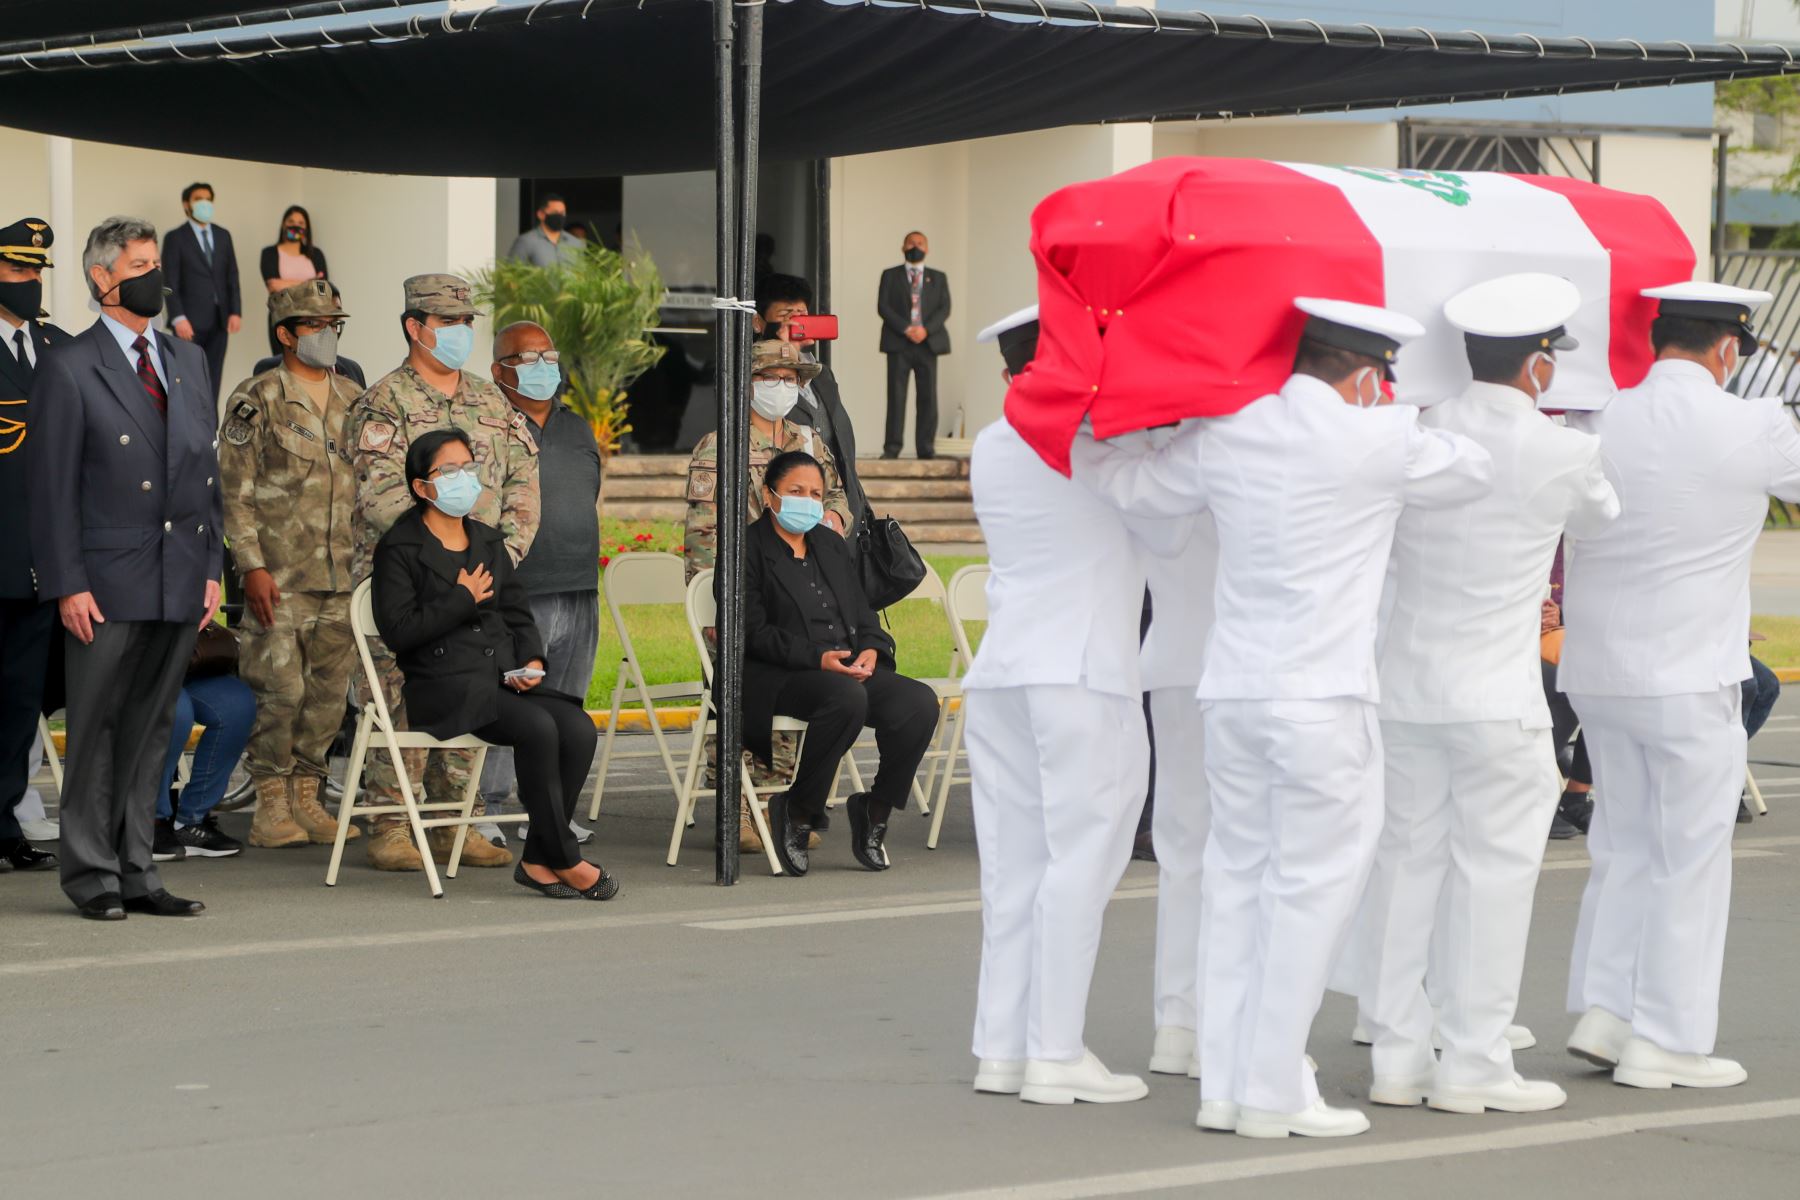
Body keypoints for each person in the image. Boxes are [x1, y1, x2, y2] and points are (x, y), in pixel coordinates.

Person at [1074, 298, 1493, 1138]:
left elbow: (1132, 486)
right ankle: (1273, 1088)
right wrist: (1402, 413)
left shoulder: (1230, 432)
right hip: (1323, 699)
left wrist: (1096, 421)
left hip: (1232, 694)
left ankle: (1228, 1084)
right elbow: (1474, 466)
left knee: (1237, 885)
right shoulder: (1379, 439)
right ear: (1370, 373)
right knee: (1311, 892)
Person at [1348, 274, 1620, 1118]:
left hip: (1405, 689)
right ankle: (1473, 1060)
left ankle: (1396, 1057)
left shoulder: (1414, 432)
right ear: (1538, 367)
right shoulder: (1566, 450)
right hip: (1499, 697)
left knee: (1404, 871)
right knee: (1494, 880)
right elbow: (1603, 519)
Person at [1561, 281, 1800, 1090]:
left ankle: (1608, 1010)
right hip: (1690, 674)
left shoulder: (1597, 416)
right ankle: (1666, 1039)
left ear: (1658, 339)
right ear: (1730, 349)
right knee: (1689, 857)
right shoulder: (1754, 424)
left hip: (1598, 672)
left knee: (1622, 842)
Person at [960, 308, 1193, 1110]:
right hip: (1083, 674)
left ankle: (1002, 1046)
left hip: (1003, 672)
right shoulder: (1101, 442)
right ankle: (1055, 1050)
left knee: (1014, 867)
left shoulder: (993, 442)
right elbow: (1169, 537)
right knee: (1081, 864)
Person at [27, 215, 223, 920]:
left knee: (152, 731)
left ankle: (138, 869)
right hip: (106, 581)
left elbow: (206, 472)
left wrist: (210, 565)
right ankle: (91, 875)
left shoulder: (187, 360)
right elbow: (48, 490)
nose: (154, 277)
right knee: (99, 730)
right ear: (102, 278)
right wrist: (67, 582)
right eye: (138, 264)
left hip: (178, 572)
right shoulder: (70, 364)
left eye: (154, 262)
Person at [349, 274, 541, 872]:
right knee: (400, 695)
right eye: (448, 323)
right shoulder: (383, 403)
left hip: (481, 580)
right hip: (406, 579)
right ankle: (391, 822)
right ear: (415, 327)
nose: (460, 333)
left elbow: (523, 486)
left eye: (465, 323)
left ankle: (454, 818)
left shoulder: (492, 401)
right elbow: (380, 498)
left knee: (474, 681)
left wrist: (499, 559)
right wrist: (445, 565)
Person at [373, 429, 613, 901]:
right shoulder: (399, 548)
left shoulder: (486, 540)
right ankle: (564, 858)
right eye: (450, 470)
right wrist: (460, 600)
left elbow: (518, 613)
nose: (465, 478)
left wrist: (532, 660)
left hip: (501, 678)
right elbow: (399, 631)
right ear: (422, 487)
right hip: (443, 685)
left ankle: (539, 858)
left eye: (469, 467)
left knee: (579, 727)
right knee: (539, 728)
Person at [684, 337, 853, 851]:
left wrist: (833, 518)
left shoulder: (808, 441)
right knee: (744, 698)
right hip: (746, 596)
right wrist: (719, 608)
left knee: (800, 696)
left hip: (803, 594)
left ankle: (778, 801)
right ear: (745, 383)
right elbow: (703, 533)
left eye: (791, 379)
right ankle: (737, 809)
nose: (782, 387)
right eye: (769, 378)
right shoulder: (723, 445)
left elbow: (841, 497)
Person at [743, 451, 938, 876]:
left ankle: (875, 809)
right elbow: (751, 632)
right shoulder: (747, 549)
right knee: (847, 698)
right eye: (796, 492)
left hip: (845, 667)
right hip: (782, 673)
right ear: (769, 495)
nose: (807, 502)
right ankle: (798, 810)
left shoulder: (830, 543)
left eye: (815, 494)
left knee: (919, 702)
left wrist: (870, 647)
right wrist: (817, 657)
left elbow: (862, 612)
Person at [218, 279, 361, 852]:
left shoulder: (355, 397)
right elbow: (234, 493)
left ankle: (309, 794)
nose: (328, 336)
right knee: (278, 690)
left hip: (344, 573)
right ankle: (270, 802)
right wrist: (250, 566)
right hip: (278, 575)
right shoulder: (257, 397)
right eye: (316, 326)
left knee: (328, 693)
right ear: (285, 334)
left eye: (334, 325)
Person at [475, 320, 601, 849]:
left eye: (549, 357)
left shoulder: (576, 426)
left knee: (565, 704)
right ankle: (486, 807)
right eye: (528, 360)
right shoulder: (488, 426)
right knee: (512, 700)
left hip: (579, 586)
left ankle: (549, 809)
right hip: (523, 590)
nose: (543, 368)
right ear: (500, 370)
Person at [0, 217, 67, 874]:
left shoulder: (58, 346)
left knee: (22, 702)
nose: (29, 281)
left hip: (41, 563)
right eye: (18, 270)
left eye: (36, 271)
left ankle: (5, 827)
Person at [757, 273, 869, 538]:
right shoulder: (757, 375)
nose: (797, 321)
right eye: (786, 314)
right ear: (760, 321)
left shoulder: (823, 375)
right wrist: (782, 352)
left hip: (837, 504)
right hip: (789, 508)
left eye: (803, 313)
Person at [154, 670, 256, 861]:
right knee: (175, 709)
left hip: (188, 666)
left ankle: (191, 821)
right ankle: (149, 820)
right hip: (134, 667)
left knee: (237, 704)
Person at [162, 183, 241, 405]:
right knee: (188, 379)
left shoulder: (223, 235)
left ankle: (210, 432)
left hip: (220, 320)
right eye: (199, 199)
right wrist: (178, 317)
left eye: (208, 199)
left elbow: (232, 276)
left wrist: (235, 311)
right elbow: (170, 281)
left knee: (213, 379)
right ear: (187, 204)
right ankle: (189, 431)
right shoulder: (176, 238)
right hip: (189, 323)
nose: (205, 203)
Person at [877, 231, 951, 459]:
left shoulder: (938, 277)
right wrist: (907, 329)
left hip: (928, 343)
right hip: (899, 342)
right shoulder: (890, 275)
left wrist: (925, 329)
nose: (915, 246)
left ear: (927, 249)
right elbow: (883, 307)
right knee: (896, 397)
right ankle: (892, 448)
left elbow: (944, 308)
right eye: (911, 243)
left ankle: (926, 448)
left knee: (928, 397)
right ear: (903, 247)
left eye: (920, 243)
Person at [259, 204, 328, 355]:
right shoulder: (269, 253)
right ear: (284, 224)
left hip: (313, 319)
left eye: (301, 223)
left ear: (307, 228)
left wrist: (286, 283)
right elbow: (273, 286)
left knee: (312, 364)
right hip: (282, 318)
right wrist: (309, 283)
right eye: (291, 222)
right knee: (282, 363)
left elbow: (323, 289)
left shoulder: (316, 255)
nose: (295, 226)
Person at [1740, 651, 1781, 823]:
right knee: (1747, 685)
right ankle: (1729, 782)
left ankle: (1727, 754)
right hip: (1700, 646)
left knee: (1768, 685)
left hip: (1730, 646)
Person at [506, 193, 587, 268]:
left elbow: (582, 276)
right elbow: (511, 275)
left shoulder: (575, 243)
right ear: (541, 214)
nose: (559, 216)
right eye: (555, 212)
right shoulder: (526, 241)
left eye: (562, 213)